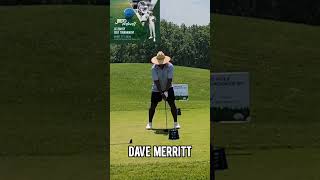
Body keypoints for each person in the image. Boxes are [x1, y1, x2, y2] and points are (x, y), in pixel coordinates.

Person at [146, 51, 180, 130]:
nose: (160, 64)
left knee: (172, 104)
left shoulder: (170, 66)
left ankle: (176, 123)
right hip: (156, 89)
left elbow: (169, 80)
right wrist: (162, 93)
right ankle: (150, 123)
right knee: (152, 106)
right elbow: (156, 81)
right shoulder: (154, 68)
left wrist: (166, 91)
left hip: (168, 87)